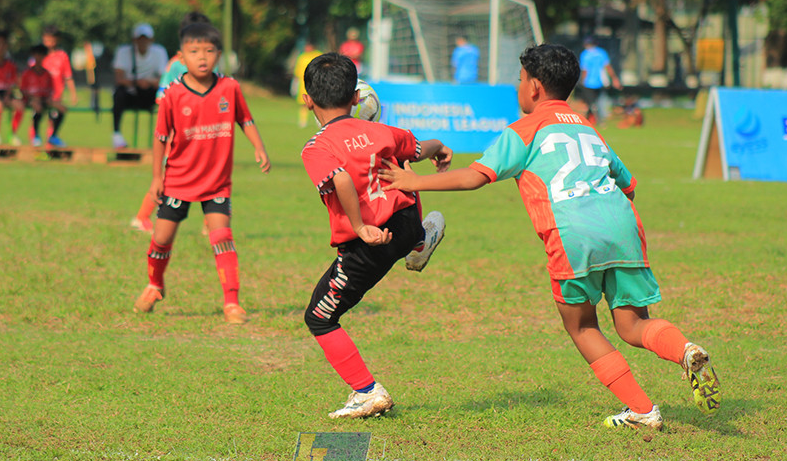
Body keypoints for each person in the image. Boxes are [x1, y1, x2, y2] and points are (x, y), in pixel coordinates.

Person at [379, 44, 722, 430]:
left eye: (521, 79)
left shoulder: (524, 130)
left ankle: (643, 410)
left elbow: (475, 176)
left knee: (582, 326)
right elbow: (628, 185)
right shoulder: (588, 127)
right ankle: (686, 349)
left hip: (572, 234)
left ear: (536, 87)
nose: (517, 86)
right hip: (623, 227)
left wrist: (414, 179)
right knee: (633, 325)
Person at [300, 52, 452, 419]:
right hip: (404, 223)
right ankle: (419, 241)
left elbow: (340, 179)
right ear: (356, 98)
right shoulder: (381, 130)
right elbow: (419, 149)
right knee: (398, 165)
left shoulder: (316, 148)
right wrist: (440, 148)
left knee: (320, 318)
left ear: (307, 101)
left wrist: (358, 225)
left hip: (369, 243)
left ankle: (367, 392)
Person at [133, 22, 270, 323]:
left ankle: (232, 303)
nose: (202, 57)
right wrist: (157, 178)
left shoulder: (229, 88)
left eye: (209, 51)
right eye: (195, 51)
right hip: (178, 181)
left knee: (222, 236)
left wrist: (258, 147)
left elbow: (245, 119)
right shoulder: (172, 95)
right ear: (182, 57)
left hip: (216, 183)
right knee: (161, 239)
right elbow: (159, 138)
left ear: (219, 55)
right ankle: (155, 284)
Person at [130, 11, 212, 234]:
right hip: (179, 134)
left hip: (201, 132)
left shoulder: (206, 63)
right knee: (169, 179)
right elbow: (163, 96)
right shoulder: (177, 65)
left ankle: (210, 224)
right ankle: (141, 217)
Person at [111, 23, 168, 149]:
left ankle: (165, 137)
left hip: (150, 92)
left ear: (151, 40)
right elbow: (119, 78)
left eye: (145, 39)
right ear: (134, 40)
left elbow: (164, 79)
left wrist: (148, 82)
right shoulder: (124, 51)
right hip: (131, 92)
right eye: (139, 39)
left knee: (166, 97)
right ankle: (116, 135)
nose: (142, 42)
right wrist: (137, 82)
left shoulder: (159, 52)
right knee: (118, 94)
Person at [20, 44, 67, 147]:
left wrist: (50, 99)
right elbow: (23, 90)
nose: (39, 58)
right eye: (37, 55)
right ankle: (36, 136)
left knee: (62, 108)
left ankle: (53, 136)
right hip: (31, 100)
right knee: (37, 107)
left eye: (41, 55)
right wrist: (32, 98)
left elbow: (51, 90)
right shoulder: (27, 73)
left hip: (44, 99)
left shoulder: (47, 74)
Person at [577, 35, 622, 124]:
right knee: (599, 101)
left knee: (591, 103)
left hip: (588, 83)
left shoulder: (585, 54)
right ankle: (596, 120)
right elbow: (608, 67)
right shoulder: (602, 52)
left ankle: (596, 120)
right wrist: (614, 79)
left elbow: (585, 70)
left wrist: (582, 80)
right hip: (601, 82)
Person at [292, 41, 322, 128]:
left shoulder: (317, 55)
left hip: (315, 82)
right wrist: (295, 82)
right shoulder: (302, 57)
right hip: (303, 83)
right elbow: (297, 70)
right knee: (304, 103)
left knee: (317, 102)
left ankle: (319, 121)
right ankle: (302, 121)